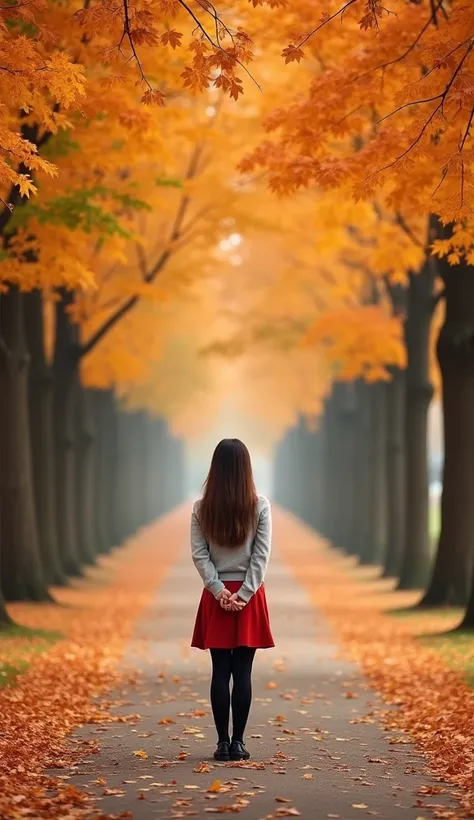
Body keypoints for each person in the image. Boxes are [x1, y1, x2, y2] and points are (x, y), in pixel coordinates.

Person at [191, 438, 274, 762]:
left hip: (217, 597)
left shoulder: (201, 508)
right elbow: (260, 556)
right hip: (248, 597)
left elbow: (200, 555)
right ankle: (239, 742)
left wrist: (218, 590)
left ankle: (222, 743)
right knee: (243, 672)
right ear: (246, 468)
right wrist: (244, 594)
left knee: (219, 670)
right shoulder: (260, 505)